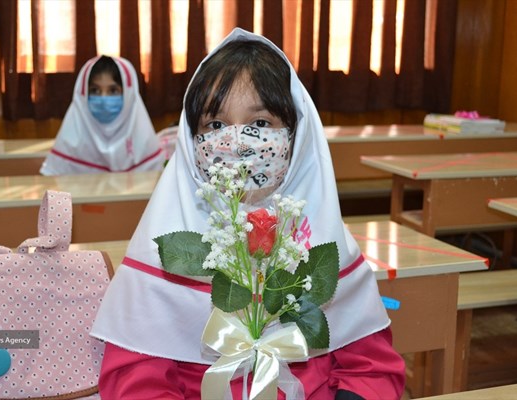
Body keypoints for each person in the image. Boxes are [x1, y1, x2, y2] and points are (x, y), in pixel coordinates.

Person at [91, 29, 406, 399]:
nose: (237, 142)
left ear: (296, 136)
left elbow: (371, 371)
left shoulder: (322, 243)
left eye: (260, 123)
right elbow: (134, 380)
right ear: (191, 139)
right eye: (215, 125)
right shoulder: (165, 250)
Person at [40, 55, 164, 175]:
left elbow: (155, 191)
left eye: (113, 90)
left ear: (129, 95)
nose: (104, 98)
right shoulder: (69, 142)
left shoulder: (145, 143)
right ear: (83, 95)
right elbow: (53, 190)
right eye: (95, 90)